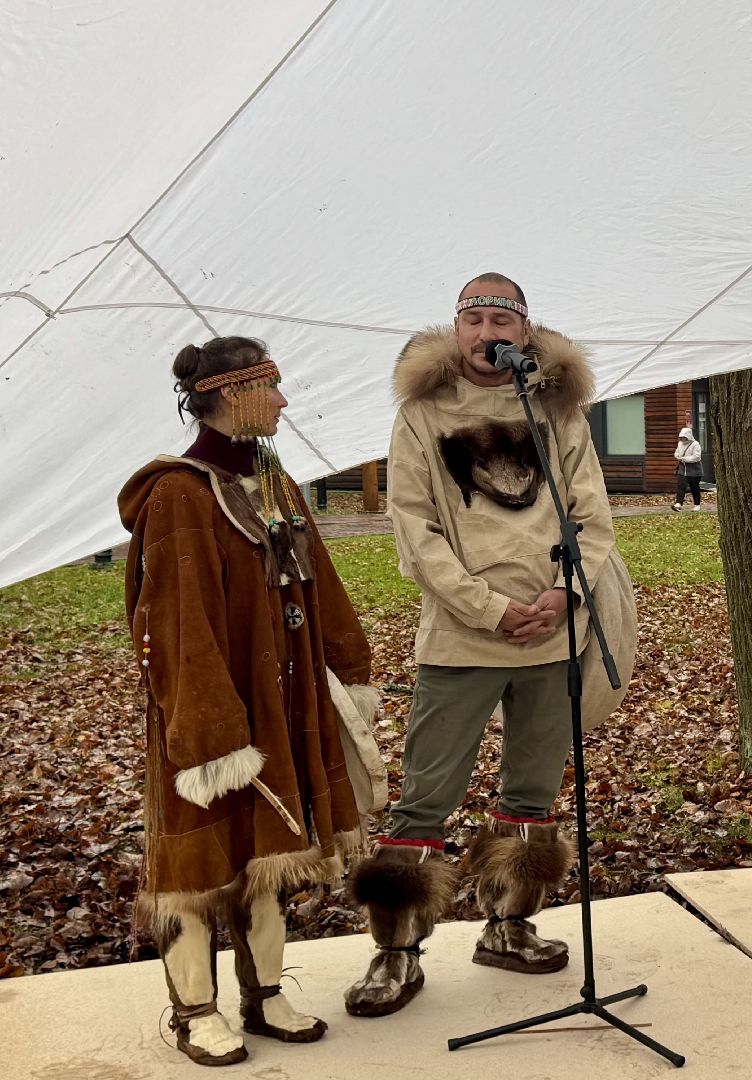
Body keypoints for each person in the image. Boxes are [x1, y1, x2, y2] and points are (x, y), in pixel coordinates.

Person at [344, 273, 624, 1017]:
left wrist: (567, 595)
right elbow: (415, 533)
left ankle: (509, 925)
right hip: (461, 641)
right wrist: (490, 608)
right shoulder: (422, 414)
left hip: (551, 636)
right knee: (424, 800)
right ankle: (396, 952)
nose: (487, 331)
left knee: (531, 795)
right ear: (456, 327)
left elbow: (591, 518)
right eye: (475, 317)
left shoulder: (557, 408)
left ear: (525, 333)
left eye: (503, 318)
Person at [119, 337, 377, 1066]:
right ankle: (193, 1010)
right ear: (235, 394)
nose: (286, 403)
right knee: (198, 864)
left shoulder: (273, 483)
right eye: (275, 389)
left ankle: (264, 994)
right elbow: (176, 627)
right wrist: (210, 733)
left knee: (269, 848)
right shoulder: (177, 495)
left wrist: (346, 665)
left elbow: (319, 582)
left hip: (281, 700)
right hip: (211, 715)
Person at [672, 418, 703, 510]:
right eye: (681, 437)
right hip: (682, 469)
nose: (682, 439)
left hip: (694, 470)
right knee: (681, 486)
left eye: (684, 437)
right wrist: (677, 456)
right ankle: (678, 503)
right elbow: (676, 452)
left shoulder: (695, 444)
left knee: (694, 488)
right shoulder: (680, 444)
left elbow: (697, 457)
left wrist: (684, 459)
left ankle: (697, 505)